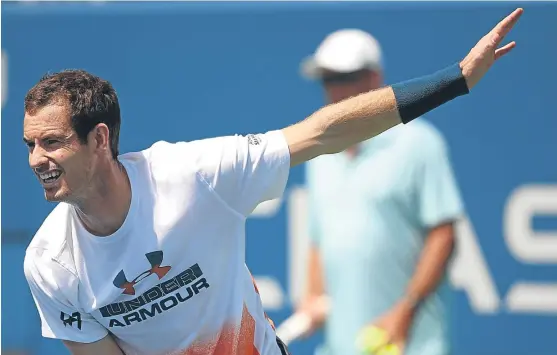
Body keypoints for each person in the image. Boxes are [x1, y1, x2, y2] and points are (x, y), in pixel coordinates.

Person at [22, 9, 522, 355]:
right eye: (30, 145)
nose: (37, 159)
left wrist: (453, 80)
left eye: (53, 142)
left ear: (100, 139)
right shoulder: (50, 264)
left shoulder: (198, 174)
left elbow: (322, 130)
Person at [277, 29, 464, 355]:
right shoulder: (319, 156)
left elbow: (444, 237)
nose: (335, 90)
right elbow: (319, 240)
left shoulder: (420, 144)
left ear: (375, 79)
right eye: (328, 79)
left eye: (345, 78)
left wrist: (404, 311)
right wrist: (313, 296)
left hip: (412, 346)